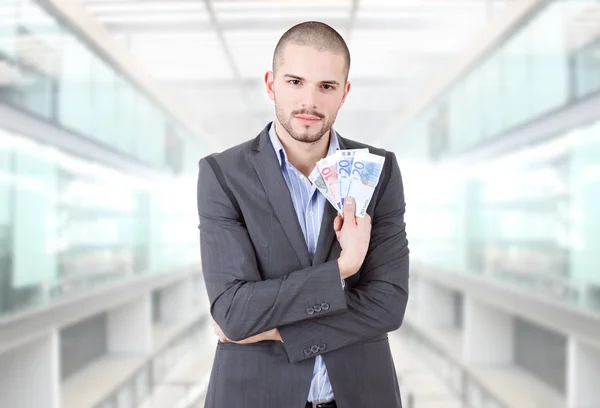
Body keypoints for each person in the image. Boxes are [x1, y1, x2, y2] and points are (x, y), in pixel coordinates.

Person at [197, 21, 409, 408]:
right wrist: (343, 269)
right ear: (270, 84)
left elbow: (387, 305)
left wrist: (270, 330)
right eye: (295, 82)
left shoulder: (379, 170)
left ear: (344, 94)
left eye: (326, 87)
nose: (309, 102)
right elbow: (232, 311)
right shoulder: (223, 175)